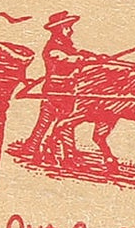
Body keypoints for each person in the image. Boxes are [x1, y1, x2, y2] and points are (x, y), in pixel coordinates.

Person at [16, 10, 102, 164]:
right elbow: (66, 58)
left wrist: (96, 57)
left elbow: (78, 53)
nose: (71, 30)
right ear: (58, 29)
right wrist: (85, 59)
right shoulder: (52, 48)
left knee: (60, 123)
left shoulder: (66, 46)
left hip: (67, 91)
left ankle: (54, 152)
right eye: (67, 27)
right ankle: (44, 151)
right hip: (55, 91)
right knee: (54, 123)